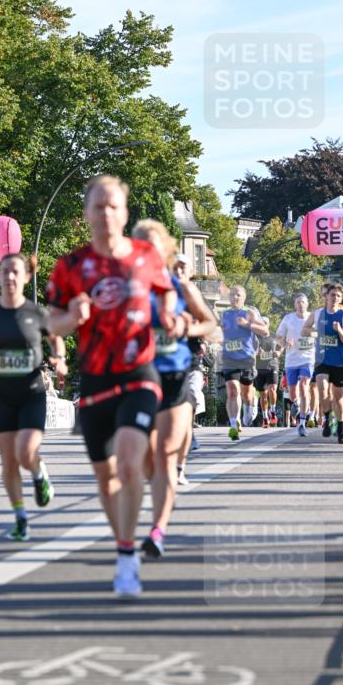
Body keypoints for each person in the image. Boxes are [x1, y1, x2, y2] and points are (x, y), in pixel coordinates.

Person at [47, 175, 183, 598]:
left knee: (129, 462)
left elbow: (167, 296)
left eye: (113, 206)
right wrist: (72, 318)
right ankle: (123, 542)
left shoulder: (146, 256)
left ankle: (127, 558)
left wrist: (173, 317)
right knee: (106, 478)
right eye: (98, 206)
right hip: (95, 378)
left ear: (125, 213)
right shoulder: (70, 266)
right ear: (86, 214)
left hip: (139, 374)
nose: (106, 213)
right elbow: (50, 322)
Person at [129, 230, 216, 557]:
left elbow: (210, 323)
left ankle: (158, 530)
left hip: (176, 376)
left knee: (165, 453)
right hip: (140, 378)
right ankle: (158, 502)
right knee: (147, 459)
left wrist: (187, 328)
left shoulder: (182, 287)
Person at [0, 252, 66, 540]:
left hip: (31, 393)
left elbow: (55, 337)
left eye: (15, 272)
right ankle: (21, 517)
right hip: (1, 395)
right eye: (5, 271)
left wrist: (58, 358)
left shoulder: (36, 313)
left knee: (25, 452)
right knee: (9, 460)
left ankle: (39, 474)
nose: (10, 276)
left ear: (25, 277)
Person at [301, 282, 343, 444]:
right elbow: (304, 330)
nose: (334, 298)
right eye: (332, 295)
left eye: (338, 296)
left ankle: (340, 428)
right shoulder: (318, 314)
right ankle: (327, 418)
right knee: (323, 391)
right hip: (322, 360)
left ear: (341, 299)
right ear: (327, 297)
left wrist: (339, 330)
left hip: (338, 361)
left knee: (338, 397)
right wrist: (315, 332)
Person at [220, 285, 269, 440]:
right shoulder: (223, 314)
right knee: (232, 390)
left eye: (238, 295)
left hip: (246, 358)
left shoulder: (249, 313)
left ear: (244, 297)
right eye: (233, 295)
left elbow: (265, 331)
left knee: (246, 393)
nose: (235, 297)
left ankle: (251, 402)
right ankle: (234, 425)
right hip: (228, 357)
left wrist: (247, 324)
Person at [276, 293, 316, 437]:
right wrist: (285, 343)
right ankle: (297, 403)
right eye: (298, 302)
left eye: (303, 302)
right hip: (291, 360)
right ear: (295, 304)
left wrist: (313, 335)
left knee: (305, 386)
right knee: (293, 392)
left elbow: (320, 333)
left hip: (307, 358)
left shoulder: (313, 318)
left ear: (307, 303)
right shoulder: (288, 319)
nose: (301, 304)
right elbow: (278, 337)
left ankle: (302, 423)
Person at [254, 323, 281, 427]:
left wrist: (279, 353)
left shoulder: (275, 336)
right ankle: (265, 418)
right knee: (263, 395)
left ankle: (273, 411)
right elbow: (250, 351)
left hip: (272, 366)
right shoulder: (255, 339)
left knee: (272, 389)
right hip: (260, 369)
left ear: (268, 325)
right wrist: (256, 353)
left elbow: (281, 347)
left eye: (265, 324)